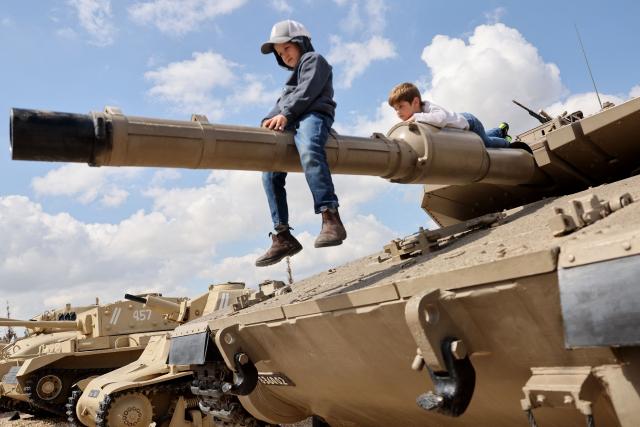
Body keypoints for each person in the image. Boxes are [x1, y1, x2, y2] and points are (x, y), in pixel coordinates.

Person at [255, 20, 346, 268]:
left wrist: (285, 114)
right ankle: (282, 235)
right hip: (292, 119)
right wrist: (266, 121)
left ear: (301, 43)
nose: (285, 56)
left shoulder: (314, 60)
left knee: (309, 149)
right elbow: (280, 105)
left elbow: (307, 92)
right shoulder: (289, 84)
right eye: (280, 54)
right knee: (269, 170)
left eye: (287, 50)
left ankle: (330, 217)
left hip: (313, 115)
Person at [387, 82, 512, 148]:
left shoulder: (429, 108)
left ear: (415, 102)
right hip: (460, 124)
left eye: (401, 107)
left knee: (486, 144)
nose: (398, 112)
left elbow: (440, 119)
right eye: (395, 109)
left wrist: (416, 118)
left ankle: (506, 142)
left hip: (469, 122)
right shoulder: (418, 116)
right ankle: (499, 131)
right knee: (480, 138)